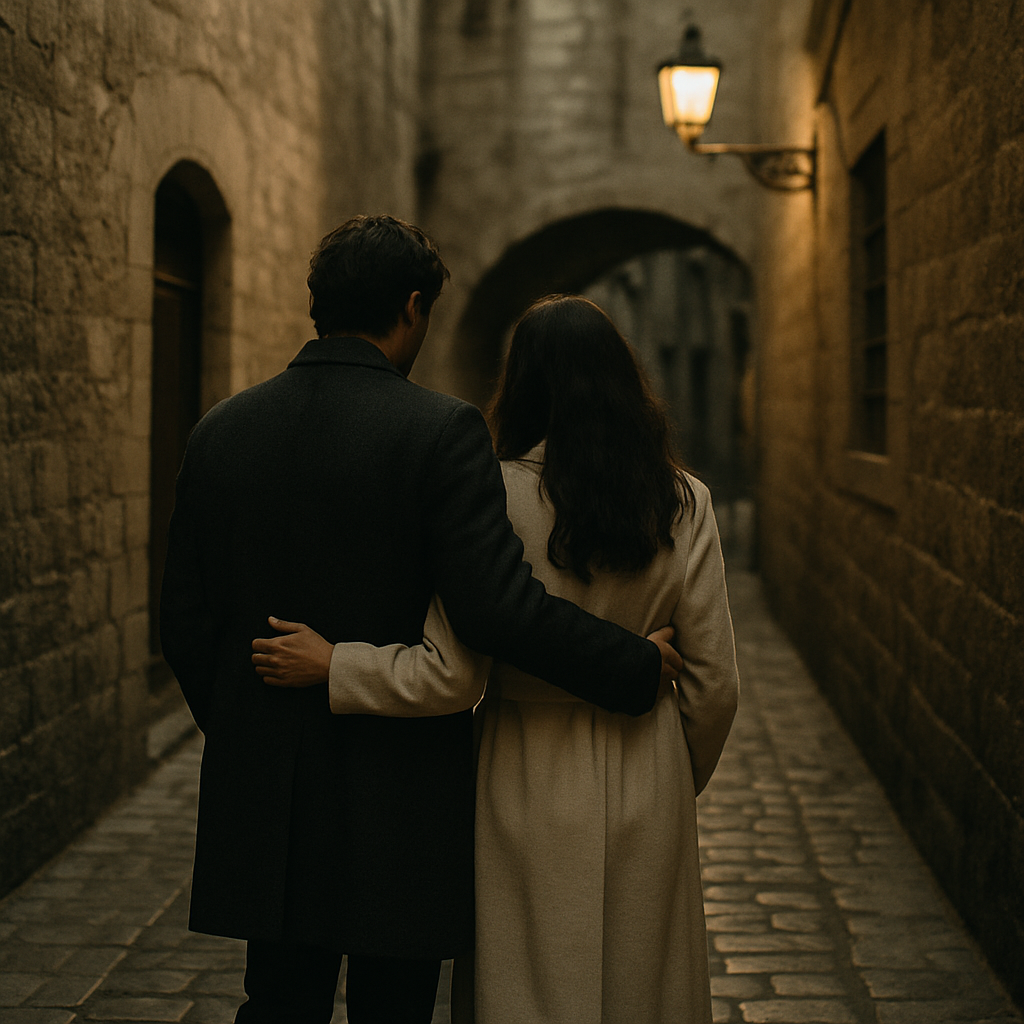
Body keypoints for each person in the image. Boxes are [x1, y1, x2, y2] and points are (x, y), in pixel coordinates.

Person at [160, 219, 683, 1024]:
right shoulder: (439, 432)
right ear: (412, 308)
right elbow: (499, 608)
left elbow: (185, 622)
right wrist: (634, 667)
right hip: (398, 795)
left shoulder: (219, 431)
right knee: (394, 1008)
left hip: (271, 792)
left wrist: (250, 730)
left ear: (318, 305)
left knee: (277, 1001)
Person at [255, 295, 740, 1023]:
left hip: (522, 768)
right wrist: (672, 770)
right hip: (649, 764)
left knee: (532, 987)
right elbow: (717, 685)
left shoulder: (496, 493)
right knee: (644, 985)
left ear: (521, 384)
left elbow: (451, 670)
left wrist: (339, 666)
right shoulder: (686, 500)